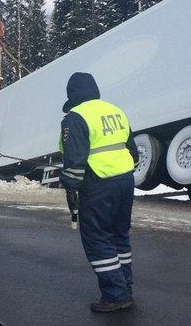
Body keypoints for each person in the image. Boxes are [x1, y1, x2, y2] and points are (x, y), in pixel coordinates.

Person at [59, 72, 139, 313]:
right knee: (119, 235)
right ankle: (125, 284)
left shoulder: (75, 117)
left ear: (72, 96)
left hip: (98, 183)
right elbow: (133, 152)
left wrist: (71, 188)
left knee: (96, 237)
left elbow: (74, 161)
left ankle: (116, 294)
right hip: (125, 180)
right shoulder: (115, 111)